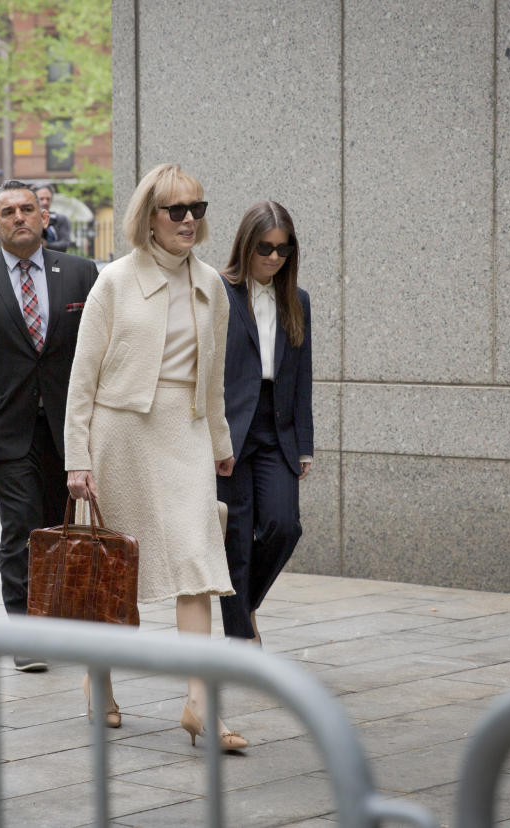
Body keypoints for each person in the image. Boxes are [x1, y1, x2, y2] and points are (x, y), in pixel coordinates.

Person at [64, 163, 247, 750]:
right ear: (149, 217)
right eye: (176, 210)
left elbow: (213, 375)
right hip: (122, 433)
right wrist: (76, 456)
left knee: (199, 561)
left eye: (198, 207)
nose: (190, 219)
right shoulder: (113, 281)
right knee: (115, 571)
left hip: (186, 433)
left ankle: (200, 702)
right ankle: (100, 682)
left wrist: (220, 443)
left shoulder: (212, 284)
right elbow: (82, 377)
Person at [0, 181, 99, 672]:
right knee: (22, 524)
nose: (19, 217)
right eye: (8, 211)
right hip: (3, 425)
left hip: (65, 425)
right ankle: (27, 632)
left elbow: (99, 353)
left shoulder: (79, 274)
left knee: (58, 524)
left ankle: (57, 620)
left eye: (27, 209)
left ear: (43, 217)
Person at [217, 202, 313, 645]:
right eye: (265, 248)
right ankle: (241, 637)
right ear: (245, 244)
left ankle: (245, 605)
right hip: (232, 428)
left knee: (283, 525)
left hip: (278, 427)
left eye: (284, 250)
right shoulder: (219, 292)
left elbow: (302, 375)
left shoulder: (297, 301)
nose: (274, 258)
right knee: (235, 534)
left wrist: (305, 444)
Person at [35, 184, 72, 252]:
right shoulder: (26, 219)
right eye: (41, 199)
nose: (45, 202)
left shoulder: (60, 219)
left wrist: (47, 245)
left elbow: (65, 243)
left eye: (48, 199)